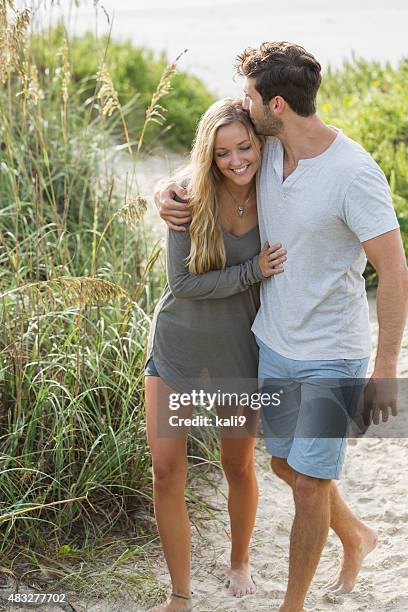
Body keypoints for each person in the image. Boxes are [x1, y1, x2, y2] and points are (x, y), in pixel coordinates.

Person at [155, 42, 408, 612]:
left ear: (275, 104)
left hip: (332, 354)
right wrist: (164, 193)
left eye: (249, 96)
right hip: (272, 343)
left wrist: (386, 369)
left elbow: (394, 270)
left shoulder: (354, 173)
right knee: (284, 464)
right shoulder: (268, 149)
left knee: (312, 486)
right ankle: (357, 535)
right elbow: (214, 156)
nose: (243, 106)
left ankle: (291, 606)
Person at [145, 97, 287, 612]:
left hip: (235, 355)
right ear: (209, 154)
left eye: (244, 146)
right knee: (166, 471)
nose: (236, 160)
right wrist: (253, 272)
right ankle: (179, 594)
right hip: (177, 350)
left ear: (260, 143)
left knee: (238, 465)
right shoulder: (188, 197)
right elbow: (182, 285)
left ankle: (240, 561)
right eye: (223, 152)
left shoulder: (276, 186)